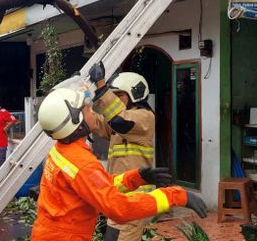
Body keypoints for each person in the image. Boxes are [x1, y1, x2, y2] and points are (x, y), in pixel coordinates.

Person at [31, 87, 207, 240]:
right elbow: (119, 208)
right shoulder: (82, 163)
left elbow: (97, 186)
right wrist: (175, 196)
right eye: (87, 109)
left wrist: (135, 178)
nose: (92, 112)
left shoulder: (61, 150)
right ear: (77, 123)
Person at [87, 63, 157, 240]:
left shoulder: (144, 116)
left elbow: (119, 121)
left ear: (135, 94)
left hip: (134, 198)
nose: (116, 100)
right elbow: (100, 123)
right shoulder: (121, 117)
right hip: (118, 195)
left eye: (120, 95)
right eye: (114, 96)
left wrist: (102, 85)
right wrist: (80, 103)